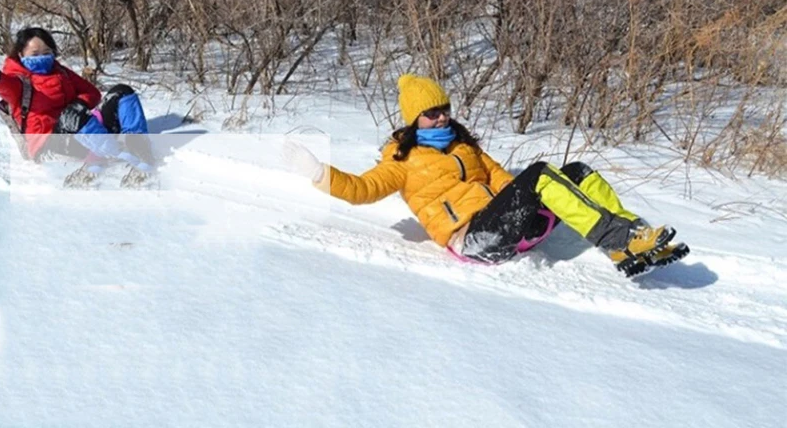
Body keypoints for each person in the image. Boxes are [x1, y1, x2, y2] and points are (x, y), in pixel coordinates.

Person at [284, 74, 683, 274]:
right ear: (414, 119)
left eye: (444, 108)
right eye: (432, 112)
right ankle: (617, 240)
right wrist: (319, 172)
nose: (442, 116)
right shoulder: (401, 159)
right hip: (473, 240)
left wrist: (528, 198)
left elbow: (503, 183)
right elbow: (362, 189)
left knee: (576, 172)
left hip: (507, 227)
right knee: (542, 173)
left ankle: (631, 238)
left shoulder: (465, 145)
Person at [0, 27, 153, 177]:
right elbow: (5, 86)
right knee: (69, 116)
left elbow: (92, 93)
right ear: (21, 55)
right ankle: (115, 155)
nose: (42, 58)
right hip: (49, 146)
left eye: (46, 52)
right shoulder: (17, 80)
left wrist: (79, 103)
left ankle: (137, 144)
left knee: (122, 92)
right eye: (35, 54)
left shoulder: (60, 72)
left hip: (81, 132)